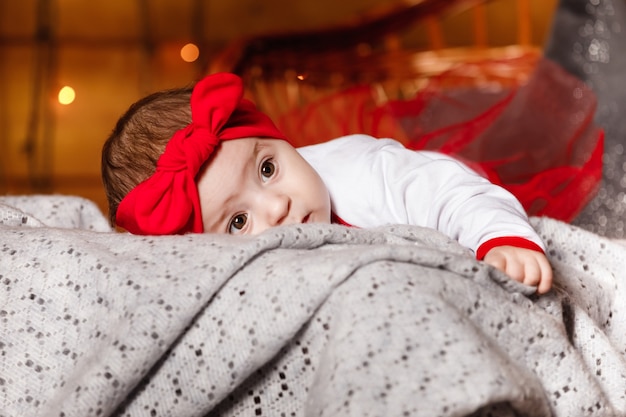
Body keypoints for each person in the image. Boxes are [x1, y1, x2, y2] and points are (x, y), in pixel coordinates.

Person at [101, 72, 553, 294]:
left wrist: (500, 240)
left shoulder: (364, 171)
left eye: (266, 169)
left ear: (278, 140)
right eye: (238, 221)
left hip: (455, 195)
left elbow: (446, 193)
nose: (276, 207)